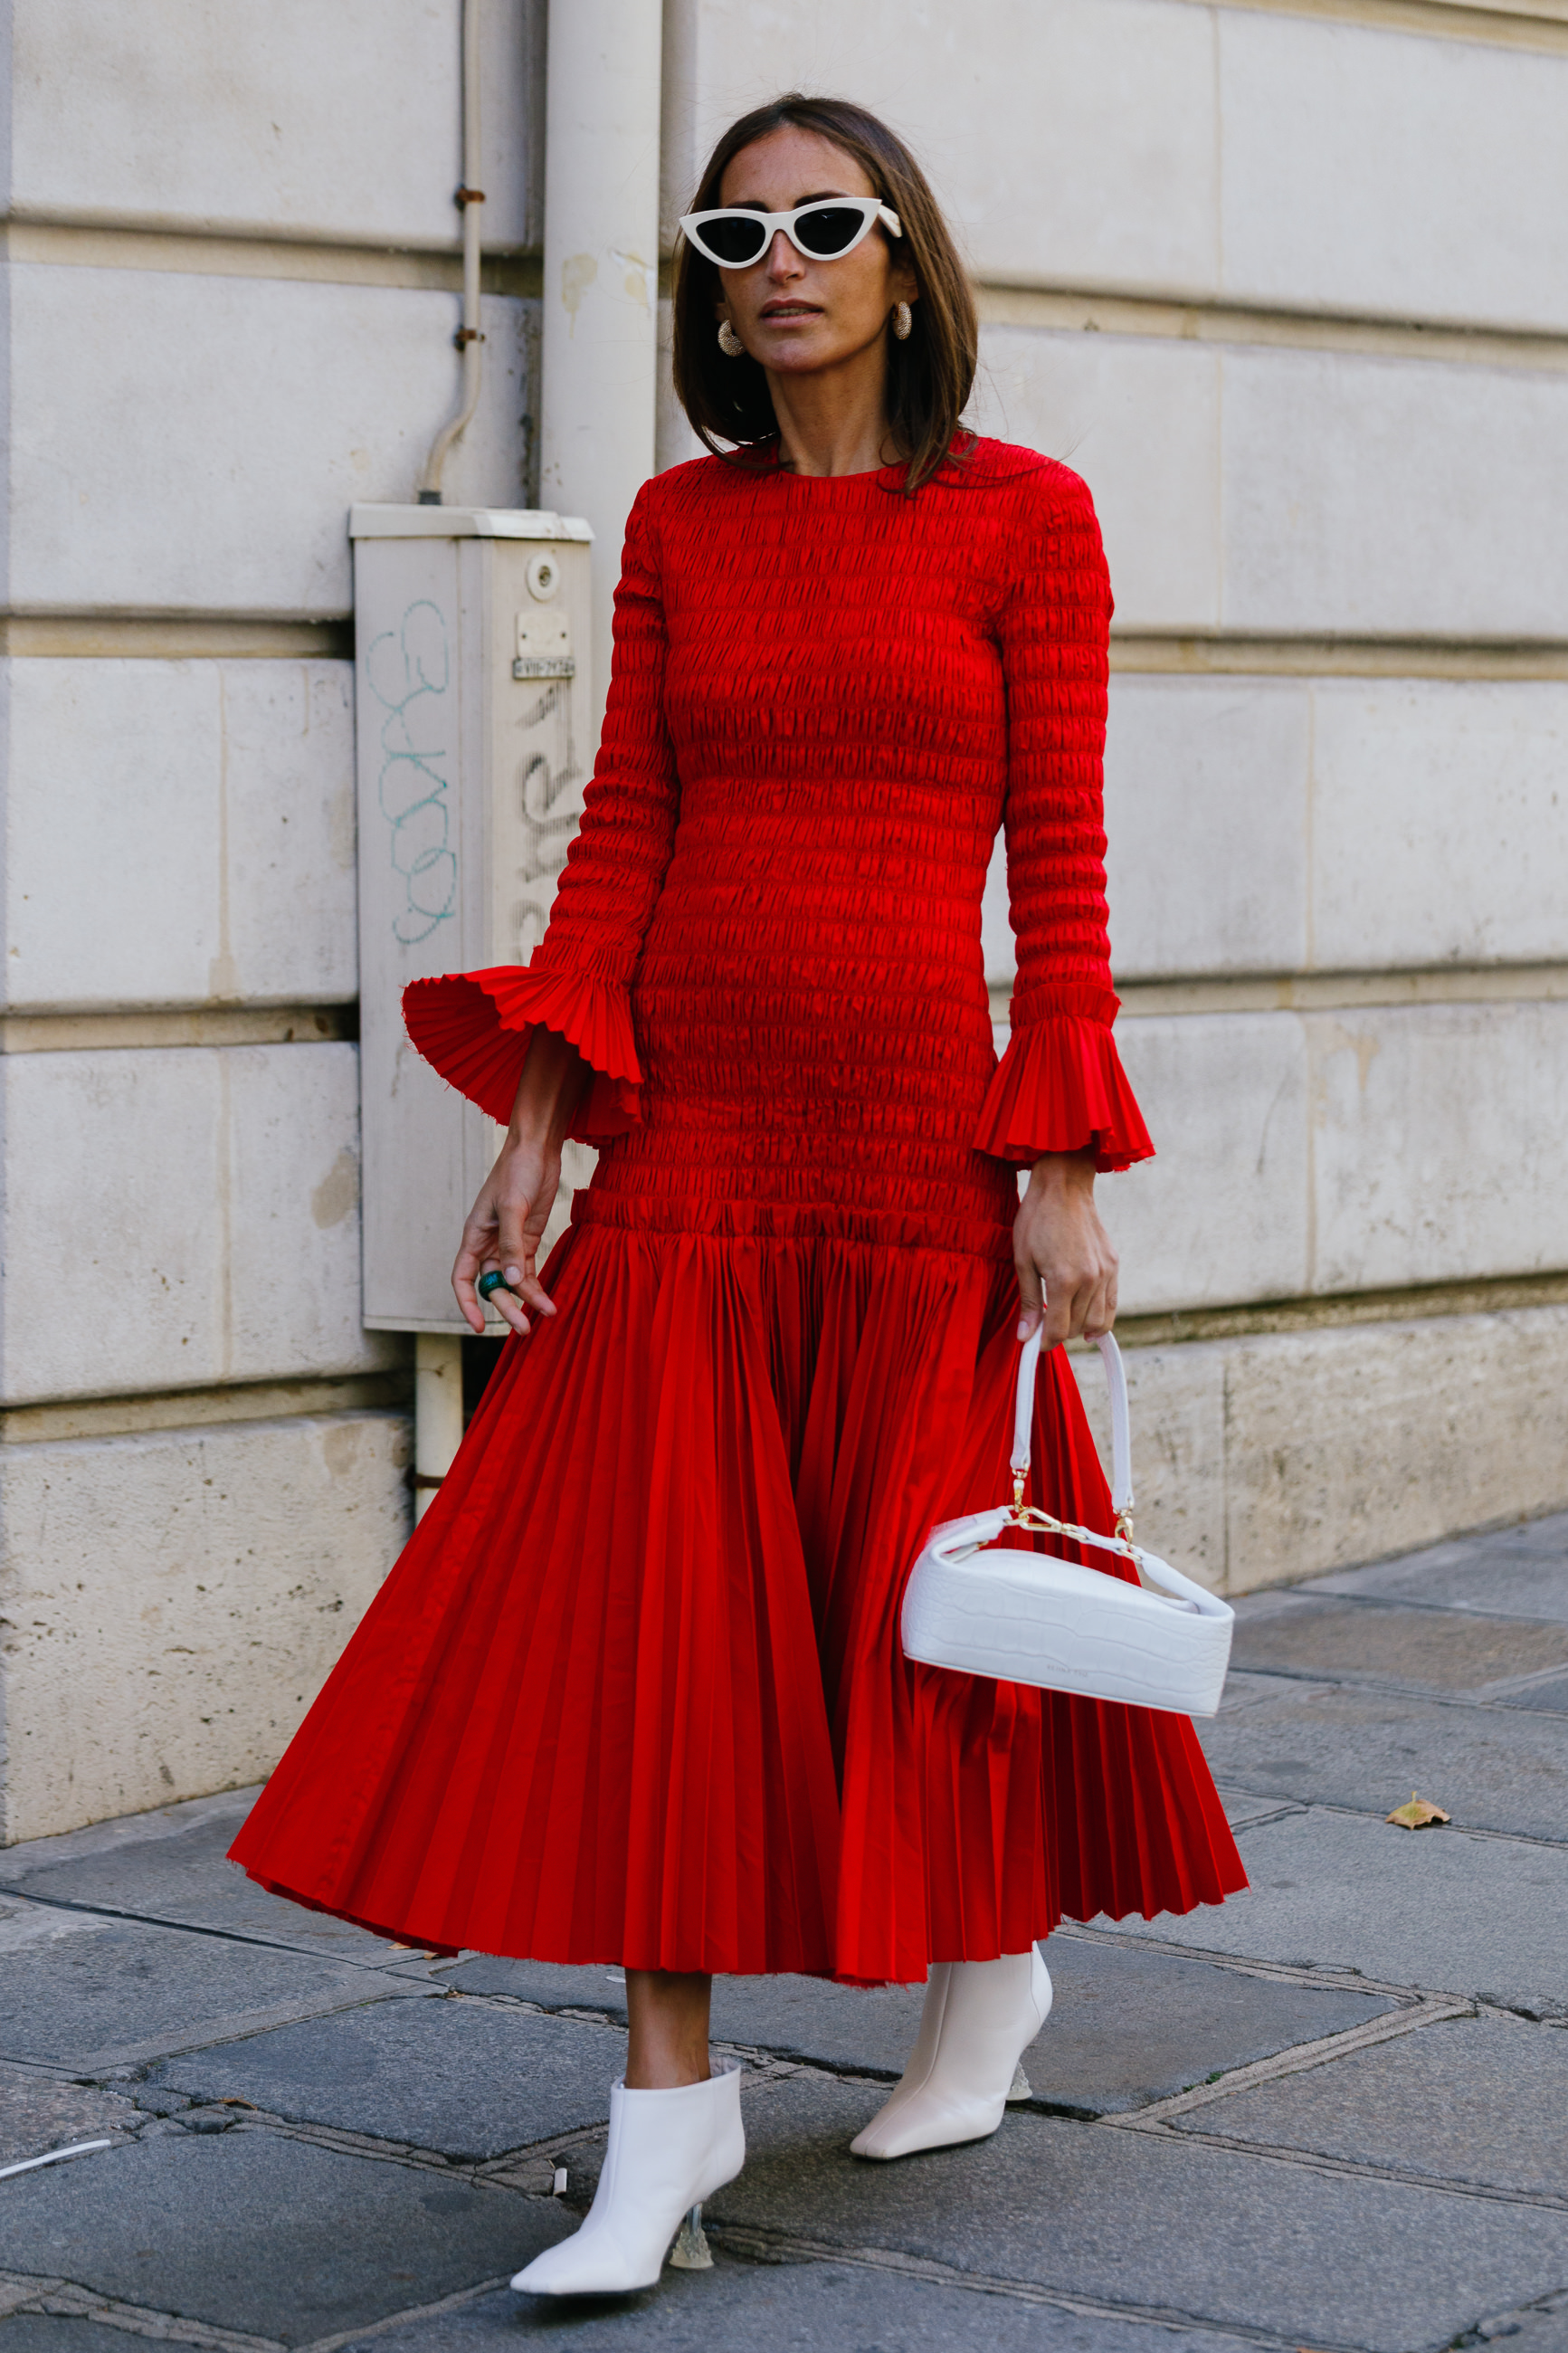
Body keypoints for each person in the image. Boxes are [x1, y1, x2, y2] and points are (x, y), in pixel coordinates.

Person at [231, 91, 1245, 2300]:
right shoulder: (680, 528)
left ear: (905, 258)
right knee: (671, 1623)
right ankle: (666, 2111)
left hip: (904, 1144)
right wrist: (540, 1117)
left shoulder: (1025, 520)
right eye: (733, 226)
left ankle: (990, 1968)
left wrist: (1055, 1162)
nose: (775, 257)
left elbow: (1060, 879)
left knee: (910, 1607)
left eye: (825, 220)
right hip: (692, 1139)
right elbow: (622, 827)